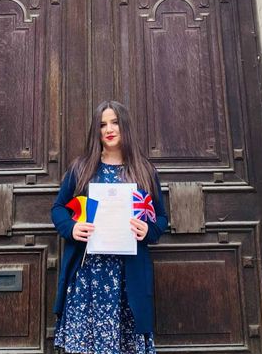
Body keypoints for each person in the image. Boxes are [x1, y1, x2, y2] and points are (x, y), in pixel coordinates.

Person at [51, 100, 168, 354]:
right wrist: (71, 228)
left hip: (129, 277)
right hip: (88, 277)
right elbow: (58, 209)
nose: (109, 129)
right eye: (103, 124)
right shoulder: (81, 169)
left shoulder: (144, 171)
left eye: (114, 122)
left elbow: (161, 219)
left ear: (125, 125)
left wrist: (149, 231)